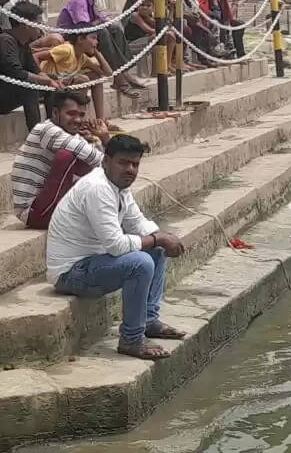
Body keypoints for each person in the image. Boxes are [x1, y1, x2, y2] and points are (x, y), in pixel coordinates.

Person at [47, 134, 187, 360]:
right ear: (106, 162)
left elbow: (137, 222)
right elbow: (115, 245)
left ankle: (149, 320)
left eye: (135, 164)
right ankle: (131, 339)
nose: (130, 169)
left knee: (155, 248)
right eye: (123, 163)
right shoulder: (97, 188)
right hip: (70, 273)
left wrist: (163, 236)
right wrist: (159, 238)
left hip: (94, 263)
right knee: (140, 262)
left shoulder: (118, 186)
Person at [13, 90, 110, 229]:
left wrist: (101, 138)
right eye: (71, 114)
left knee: (86, 163)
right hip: (33, 212)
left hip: (50, 204)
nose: (77, 120)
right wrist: (105, 140)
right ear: (55, 113)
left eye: (81, 115)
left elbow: (99, 163)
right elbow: (98, 160)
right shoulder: (47, 130)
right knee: (66, 156)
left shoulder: (71, 135)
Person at [58, 0, 146, 96]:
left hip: (86, 35)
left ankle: (124, 72)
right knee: (103, 32)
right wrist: (100, 22)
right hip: (72, 37)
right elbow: (84, 27)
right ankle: (119, 79)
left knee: (115, 27)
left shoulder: (93, 0)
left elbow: (104, 18)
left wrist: (109, 22)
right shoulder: (79, 0)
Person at [0, 1, 64, 130]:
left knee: (50, 81)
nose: (41, 27)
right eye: (38, 23)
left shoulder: (24, 44)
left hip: (8, 90)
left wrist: (52, 81)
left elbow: (35, 70)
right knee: (29, 87)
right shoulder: (5, 41)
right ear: (25, 24)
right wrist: (47, 80)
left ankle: (55, 129)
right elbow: (17, 73)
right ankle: (36, 138)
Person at [38, 26, 116, 125]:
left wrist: (96, 52)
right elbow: (36, 56)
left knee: (96, 77)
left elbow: (107, 73)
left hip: (62, 87)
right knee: (82, 79)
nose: (96, 42)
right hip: (47, 88)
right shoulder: (67, 49)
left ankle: (100, 120)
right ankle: (80, 123)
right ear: (80, 39)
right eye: (93, 38)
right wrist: (43, 78)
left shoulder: (83, 58)